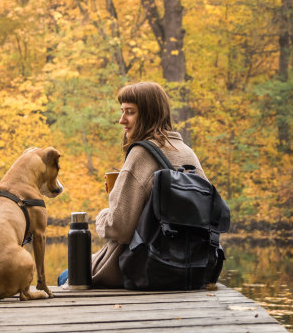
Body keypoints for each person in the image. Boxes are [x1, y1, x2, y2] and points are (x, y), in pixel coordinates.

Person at [57, 81, 207, 288]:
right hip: (190, 266)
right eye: (122, 112)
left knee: (65, 276)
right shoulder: (186, 152)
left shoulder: (141, 153)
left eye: (130, 112)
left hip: (144, 267)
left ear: (149, 115)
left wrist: (102, 216)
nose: (121, 120)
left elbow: (119, 228)